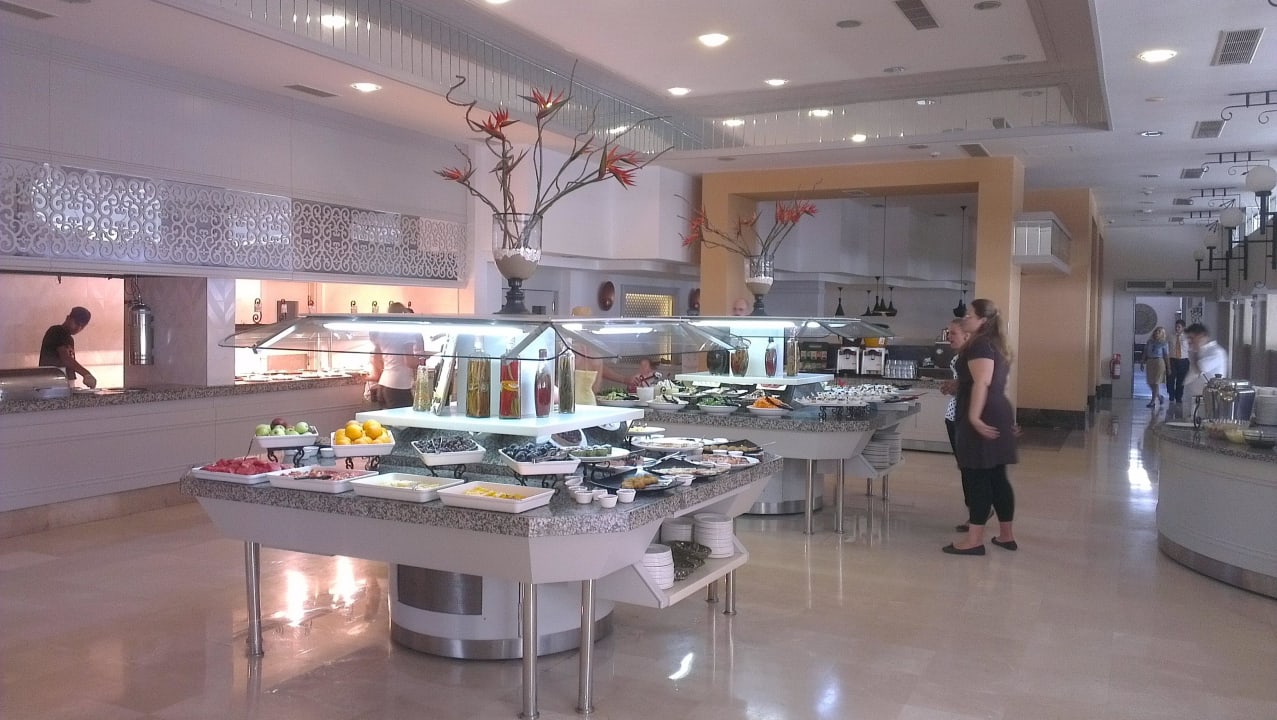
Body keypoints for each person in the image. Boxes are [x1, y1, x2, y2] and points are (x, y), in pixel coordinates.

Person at [945, 298, 1018, 556]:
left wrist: (975, 418)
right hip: (996, 411)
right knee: (997, 476)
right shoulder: (994, 344)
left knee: (977, 477)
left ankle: (974, 541)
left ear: (983, 321)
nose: (965, 318)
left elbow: (982, 383)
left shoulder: (979, 344)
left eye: (969, 315)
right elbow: (990, 381)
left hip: (983, 413)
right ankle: (1006, 536)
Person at [939, 317, 981, 531]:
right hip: (954, 415)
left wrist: (959, 386)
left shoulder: (976, 358)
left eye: (953, 333)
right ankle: (975, 510)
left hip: (966, 417)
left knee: (970, 467)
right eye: (948, 333)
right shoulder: (960, 357)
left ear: (967, 335)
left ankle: (978, 512)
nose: (949, 337)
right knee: (964, 465)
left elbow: (982, 386)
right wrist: (953, 386)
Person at [368, 302, 423, 409]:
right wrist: (423, 359)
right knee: (405, 419)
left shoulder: (383, 333)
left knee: (386, 420)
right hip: (399, 386)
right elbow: (409, 362)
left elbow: (377, 357)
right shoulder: (406, 333)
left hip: (383, 386)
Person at [40, 306, 96, 388]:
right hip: (52, 382)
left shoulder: (69, 339)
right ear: (68, 318)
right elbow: (66, 359)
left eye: (82, 326)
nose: (78, 328)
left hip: (64, 381)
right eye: (76, 323)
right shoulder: (56, 331)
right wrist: (86, 374)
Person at [1183, 322, 1228, 400]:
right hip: (1196, 397)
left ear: (1201, 337)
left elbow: (1199, 368)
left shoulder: (1216, 351)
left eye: (1192, 338)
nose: (1189, 341)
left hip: (1210, 398)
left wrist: (1194, 353)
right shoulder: (1199, 351)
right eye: (1188, 338)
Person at [1143, 326, 1169, 408]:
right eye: (1156, 331)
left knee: (1156, 382)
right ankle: (1159, 396)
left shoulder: (1164, 343)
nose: (1157, 333)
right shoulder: (1149, 342)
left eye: (1159, 331)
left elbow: (1166, 356)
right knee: (1150, 382)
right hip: (1150, 361)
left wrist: (1168, 367)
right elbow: (1145, 352)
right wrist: (1142, 361)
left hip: (1159, 362)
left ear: (1162, 334)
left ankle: (1153, 401)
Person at [1166, 319, 1190, 404]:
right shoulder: (1170, 336)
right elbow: (1166, 348)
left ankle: (1178, 397)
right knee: (1170, 379)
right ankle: (1171, 395)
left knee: (1181, 381)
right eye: (1176, 326)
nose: (1177, 328)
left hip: (1183, 361)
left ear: (1183, 328)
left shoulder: (1187, 337)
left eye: (1179, 327)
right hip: (1172, 360)